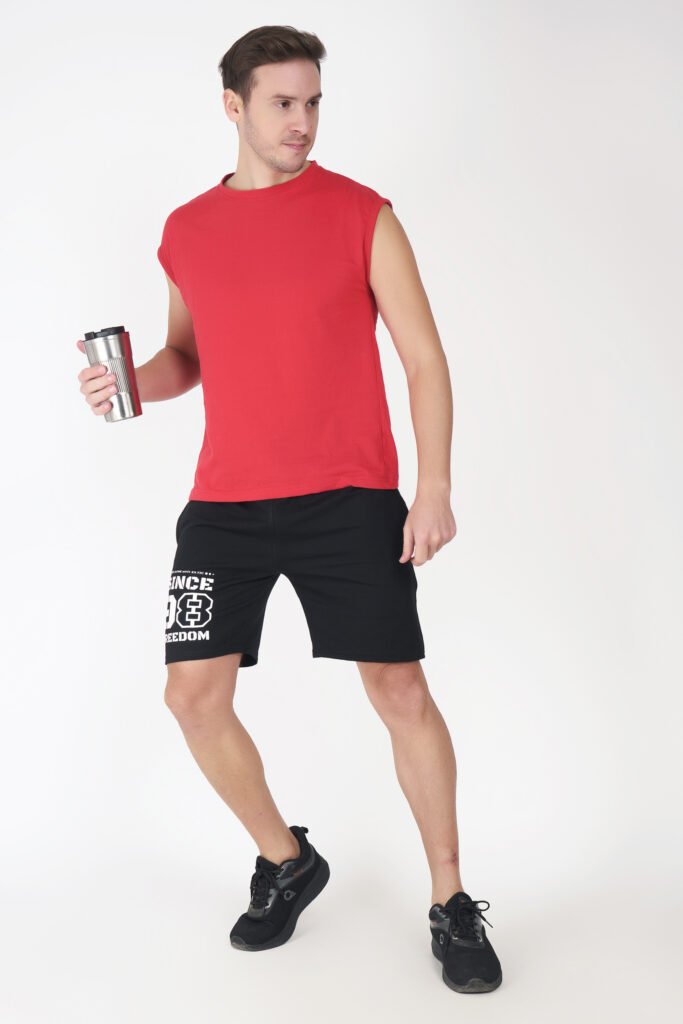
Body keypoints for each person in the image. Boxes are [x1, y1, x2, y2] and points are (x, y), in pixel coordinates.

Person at [76, 24, 502, 995]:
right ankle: (287, 859)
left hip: (347, 498)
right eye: (281, 103)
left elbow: (423, 357)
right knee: (190, 696)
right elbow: (188, 357)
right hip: (223, 507)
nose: (301, 121)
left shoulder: (361, 213)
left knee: (398, 690)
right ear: (233, 107)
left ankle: (450, 900)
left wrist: (432, 486)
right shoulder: (186, 230)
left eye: (312, 102)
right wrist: (128, 382)